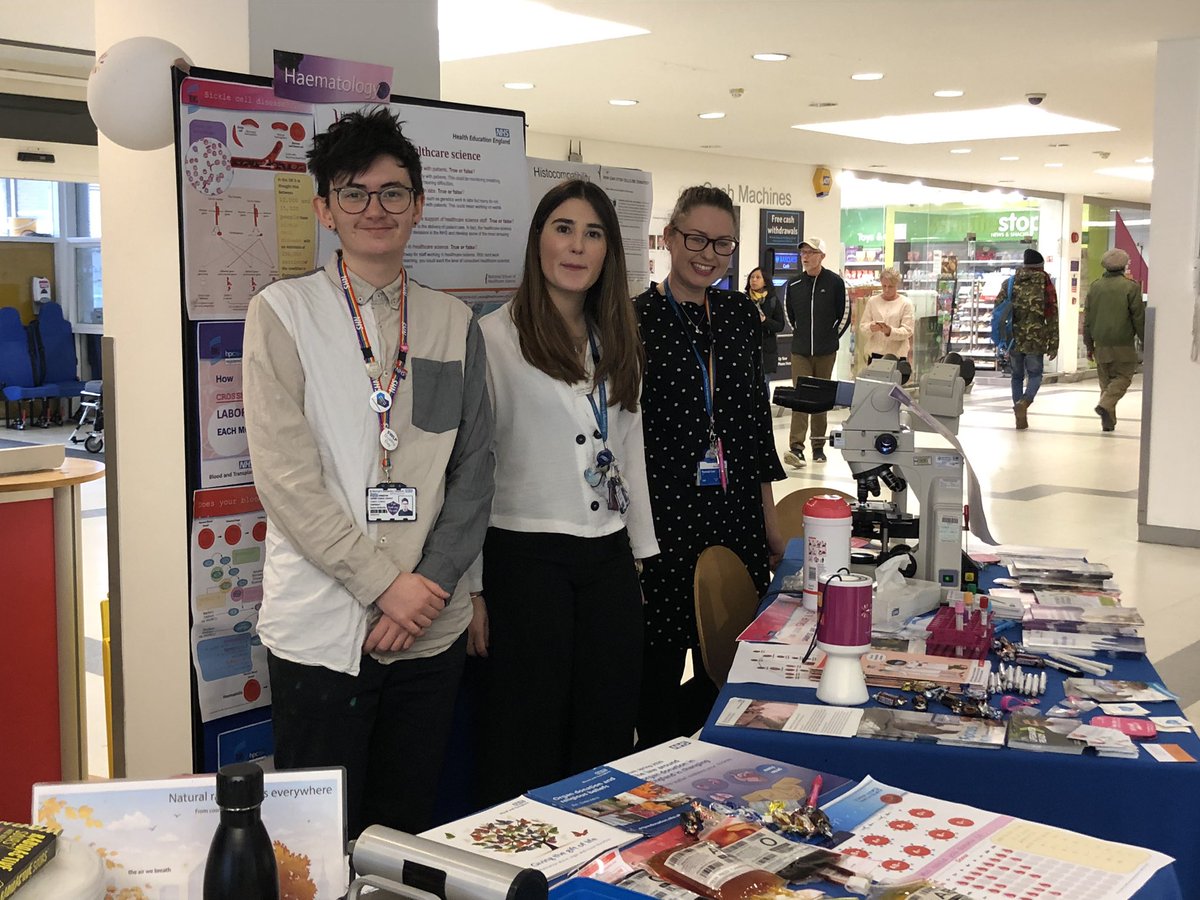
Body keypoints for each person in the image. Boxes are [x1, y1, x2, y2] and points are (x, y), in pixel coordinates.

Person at [242, 108, 494, 839]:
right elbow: (287, 481)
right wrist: (387, 587)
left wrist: (432, 586)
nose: (373, 209)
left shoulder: (452, 322)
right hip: (324, 628)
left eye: (392, 192)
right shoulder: (282, 313)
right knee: (317, 844)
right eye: (354, 193)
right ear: (325, 208)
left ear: (418, 205)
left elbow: (472, 470)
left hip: (431, 626)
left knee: (402, 831)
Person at [470, 179, 658, 805]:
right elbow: (467, 471)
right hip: (524, 561)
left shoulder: (616, 339)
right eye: (564, 228)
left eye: (594, 233)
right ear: (538, 240)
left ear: (610, 252)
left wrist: (635, 556)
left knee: (605, 734)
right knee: (525, 740)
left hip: (606, 561)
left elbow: (628, 452)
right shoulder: (492, 339)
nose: (578, 246)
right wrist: (470, 589)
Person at [635, 185, 786, 748]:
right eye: (696, 238)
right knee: (658, 659)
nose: (709, 254)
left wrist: (769, 519)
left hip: (735, 510)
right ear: (670, 238)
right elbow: (627, 436)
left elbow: (753, 422)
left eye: (722, 243)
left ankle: (717, 759)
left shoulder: (740, 315)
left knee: (729, 657)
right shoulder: (637, 319)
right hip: (666, 517)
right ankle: (656, 758)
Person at [783, 237, 848, 467]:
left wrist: (830, 338)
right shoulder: (793, 285)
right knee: (800, 395)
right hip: (800, 350)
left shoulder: (835, 283)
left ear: (822, 256)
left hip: (826, 351)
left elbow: (844, 314)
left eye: (811, 252)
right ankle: (796, 447)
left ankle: (818, 446)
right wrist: (801, 334)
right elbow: (790, 315)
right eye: (803, 252)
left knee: (821, 397)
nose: (806, 256)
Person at [1084, 248, 1145, 432]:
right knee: (1123, 378)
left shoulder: (1095, 287)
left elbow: (1087, 318)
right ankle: (1104, 406)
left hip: (1100, 343)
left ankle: (1108, 422)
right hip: (1123, 343)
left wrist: (1088, 344)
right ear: (1124, 265)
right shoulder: (1131, 287)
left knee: (1106, 382)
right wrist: (1146, 340)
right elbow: (1138, 318)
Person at [1002, 248, 1058, 430]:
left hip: (1013, 338)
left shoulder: (1010, 282)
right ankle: (1025, 403)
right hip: (1036, 337)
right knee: (1034, 374)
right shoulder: (1045, 284)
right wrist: (1053, 343)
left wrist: (1001, 338)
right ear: (1040, 266)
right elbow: (1052, 315)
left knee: (1016, 376)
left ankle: (1019, 412)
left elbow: (999, 310)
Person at [745, 267, 786, 398]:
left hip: (766, 352)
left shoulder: (773, 301)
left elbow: (780, 325)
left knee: (763, 385)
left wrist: (764, 320)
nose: (754, 280)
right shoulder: (743, 299)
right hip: (746, 350)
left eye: (758, 277)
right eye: (752, 277)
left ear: (765, 281)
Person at [859, 267, 914, 360]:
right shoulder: (873, 301)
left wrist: (890, 331)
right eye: (884, 286)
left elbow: (908, 331)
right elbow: (863, 327)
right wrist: (871, 328)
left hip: (897, 356)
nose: (887, 290)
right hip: (875, 354)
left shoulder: (906, 303)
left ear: (897, 285)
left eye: (890, 286)